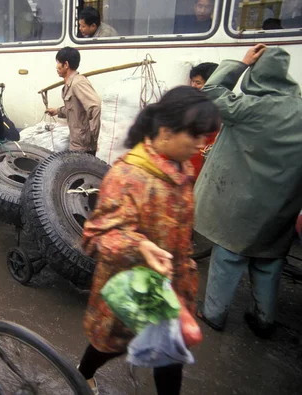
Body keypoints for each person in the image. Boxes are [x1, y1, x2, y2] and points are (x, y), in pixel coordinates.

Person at [78, 86, 221, 395]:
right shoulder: (127, 176)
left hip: (169, 287)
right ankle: (83, 373)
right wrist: (140, 245)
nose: (200, 144)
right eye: (195, 136)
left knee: (168, 356)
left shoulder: (181, 169)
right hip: (130, 285)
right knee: (110, 343)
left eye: (204, 137)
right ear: (166, 132)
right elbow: (95, 236)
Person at [195, 44, 302, 338]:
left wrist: (241, 62)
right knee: (269, 259)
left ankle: (214, 313)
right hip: (283, 205)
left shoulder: (249, 107)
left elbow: (210, 91)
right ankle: (264, 318)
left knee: (229, 256)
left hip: (242, 204)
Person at [45, 47, 101, 154]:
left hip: (84, 146)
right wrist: (57, 111)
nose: (56, 67)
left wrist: (96, 138)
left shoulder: (78, 83)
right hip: (77, 143)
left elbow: (95, 107)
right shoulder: (70, 84)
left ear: (66, 65)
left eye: (58, 63)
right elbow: (75, 110)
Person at [188, 62, 219, 179]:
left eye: (198, 83)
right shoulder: (192, 104)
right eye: (192, 81)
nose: (193, 86)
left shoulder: (223, 107)